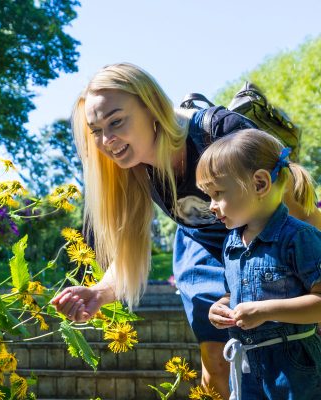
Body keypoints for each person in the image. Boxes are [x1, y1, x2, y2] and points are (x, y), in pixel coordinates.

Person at [51, 63, 321, 398]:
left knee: (283, 353)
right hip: (201, 246)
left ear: (152, 106)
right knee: (216, 362)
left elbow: (299, 215)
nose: (107, 139)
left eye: (116, 121)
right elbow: (129, 252)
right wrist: (99, 293)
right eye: (96, 130)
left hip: (265, 239)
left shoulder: (221, 131)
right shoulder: (131, 170)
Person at [196, 129, 321, 400]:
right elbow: (239, 293)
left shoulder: (298, 238)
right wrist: (222, 306)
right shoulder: (231, 243)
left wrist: (265, 311)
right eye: (208, 196)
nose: (211, 206)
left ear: (260, 184)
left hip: (294, 372)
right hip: (247, 370)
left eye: (217, 193)